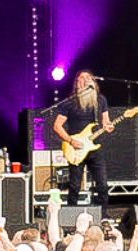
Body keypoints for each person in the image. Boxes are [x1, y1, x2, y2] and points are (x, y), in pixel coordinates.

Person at [50, 71, 115, 204]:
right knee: (74, 185)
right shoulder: (70, 103)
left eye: (88, 78)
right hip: (76, 148)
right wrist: (70, 141)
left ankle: (103, 215)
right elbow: (57, 126)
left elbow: (106, 121)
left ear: (93, 82)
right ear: (77, 83)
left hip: (95, 147)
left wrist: (109, 126)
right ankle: (71, 215)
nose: (85, 80)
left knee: (102, 184)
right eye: (82, 78)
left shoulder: (101, 100)